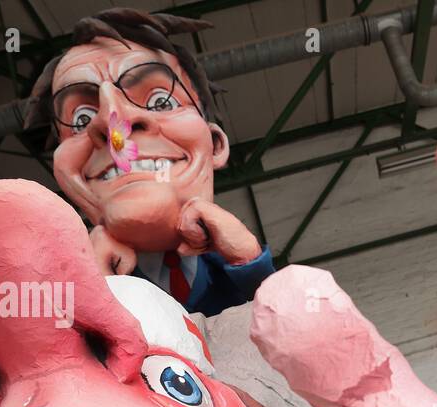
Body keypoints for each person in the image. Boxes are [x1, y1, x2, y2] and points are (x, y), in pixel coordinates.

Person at [25, 8, 272, 316]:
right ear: (64, 176)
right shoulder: (51, 299)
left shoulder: (231, 268)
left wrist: (248, 262)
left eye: (160, 101)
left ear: (217, 145)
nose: (112, 122)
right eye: (81, 119)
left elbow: (294, 336)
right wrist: (93, 291)